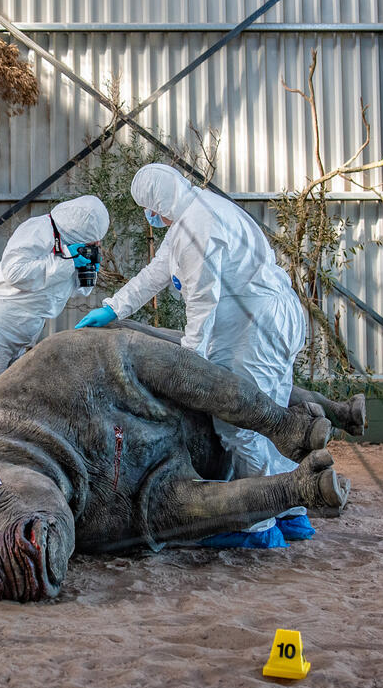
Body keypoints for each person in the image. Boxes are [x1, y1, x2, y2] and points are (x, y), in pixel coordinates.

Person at [75, 163, 312, 546]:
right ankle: (292, 511)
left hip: (252, 329)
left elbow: (203, 301)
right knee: (272, 416)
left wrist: (187, 366)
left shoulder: (195, 226)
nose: (150, 216)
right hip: (271, 319)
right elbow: (156, 272)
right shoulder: (199, 209)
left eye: (148, 208)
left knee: (242, 423)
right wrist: (114, 307)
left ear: (157, 202)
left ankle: (257, 526)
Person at [0, 195, 110, 430]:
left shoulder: (69, 245)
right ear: (71, 232)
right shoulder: (38, 229)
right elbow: (15, 272)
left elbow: (67, 290)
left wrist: (87, 271)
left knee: (8, 407)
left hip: (26, 335)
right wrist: (67, 261)